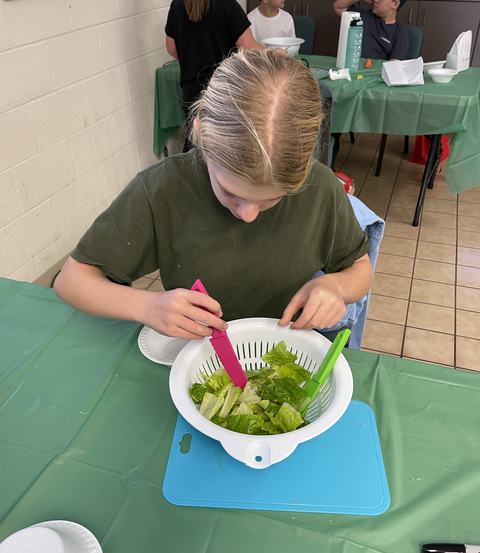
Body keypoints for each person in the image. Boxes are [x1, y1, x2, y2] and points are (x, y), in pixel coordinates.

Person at [53, 49, 372, 341]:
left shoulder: (321, 189)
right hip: (195, 350)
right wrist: (148, 306)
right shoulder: (162, 190)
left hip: (285, 348)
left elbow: (360, 270)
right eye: (231, 192)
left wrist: (334, 286)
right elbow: (72, 280)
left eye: (271, 199)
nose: (248, 215)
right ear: (201, 134)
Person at [165, 0, 262, 119]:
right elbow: (250, 48)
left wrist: (191, 57)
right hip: (222, 92)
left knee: (195, 136)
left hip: (191, 95)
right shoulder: (227, 4)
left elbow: (171, 48)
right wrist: (273, 52)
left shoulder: (177, 5)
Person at [333, 0, 409, 60]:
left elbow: (393, 67)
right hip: (351, 69)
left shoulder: (400, 33)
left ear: (395, 4)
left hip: (374, 75)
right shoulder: (364, 15)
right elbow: (338, 7)